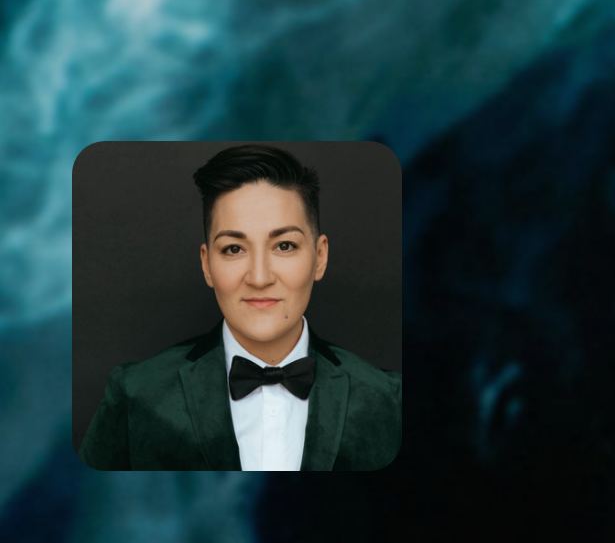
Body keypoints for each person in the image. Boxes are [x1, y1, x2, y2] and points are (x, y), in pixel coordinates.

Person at [78, 144, 401, 471]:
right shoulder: (136, 394)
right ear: (207, 265)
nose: (259, 278)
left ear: (320, 257)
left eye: (284, 245)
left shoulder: (389, 399)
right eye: (233, 249)